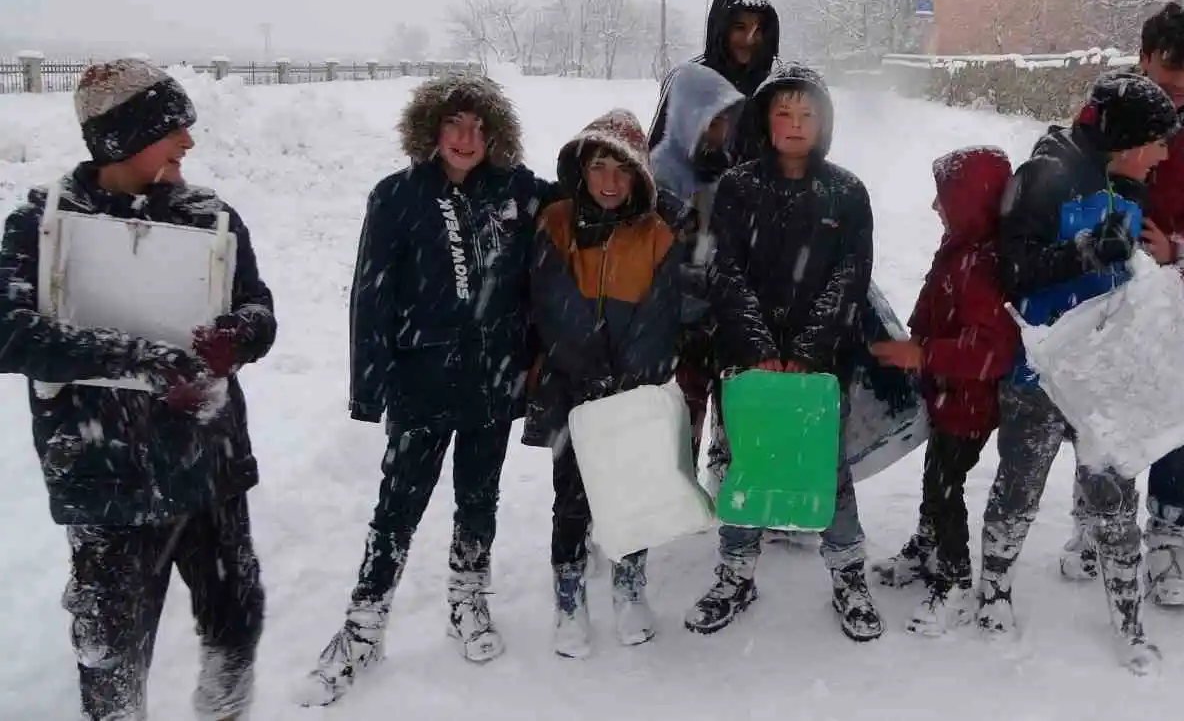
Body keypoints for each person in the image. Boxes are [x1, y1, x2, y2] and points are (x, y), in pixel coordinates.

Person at [0, 59, 275, 720]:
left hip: (210, 466)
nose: (188, 143)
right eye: (174, 129)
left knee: (236, 622)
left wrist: (240, 335)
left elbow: (260, 307)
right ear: (122, 139)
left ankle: (226, 712)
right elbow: (10, 332)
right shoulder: (43, 223)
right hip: (106, 480)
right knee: (112, 651)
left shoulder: (211, 215)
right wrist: (141, 360)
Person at [302, 74, 552, 705]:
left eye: (478, 126)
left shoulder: (518, 192)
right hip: (421, 380)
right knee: (398, 505)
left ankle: (468, 599)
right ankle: (364, 623)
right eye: (454, 124)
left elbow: (592, 202)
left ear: (495, 135)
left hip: (493, 380)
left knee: (479, 497)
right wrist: (369, 387)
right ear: (431, 130)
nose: (466, 138)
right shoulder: (397, 196)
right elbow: (371, 293)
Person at [982, 71, 1181, 674]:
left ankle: (1128, 614)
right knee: (1020, 486)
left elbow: (1127, 275)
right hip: (1039, 372)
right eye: (1157, 141)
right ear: (1124, 140)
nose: (1165, 154)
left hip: (1102, 371)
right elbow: (1012, 271)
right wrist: (1087, 251)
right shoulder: (1043, 178)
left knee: (1116, 496)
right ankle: (993, 590)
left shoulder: (1128, 189)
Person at [683, 63, 883, 642]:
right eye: (783, 112)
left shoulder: (846, 193)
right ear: (766, 121)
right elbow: (724, 270)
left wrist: (809, 347)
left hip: (822, 365)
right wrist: (758, 345)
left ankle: (848, 574)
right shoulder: (738, 189)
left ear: (824, 122)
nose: (796, 124)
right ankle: (735, 572)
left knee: (830, 466)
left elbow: (851, 274)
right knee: (742, 462)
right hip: (746, 364)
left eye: (807, 113)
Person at [1059, 3, 1184, 609]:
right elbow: (1075, 172)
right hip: (1106, 289)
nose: (1181, 84)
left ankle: (1165, 536)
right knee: (1101, 404)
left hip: (1176, 297)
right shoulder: (1106, 107)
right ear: (1143, 57)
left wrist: (1179, 247)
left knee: (1173, 411)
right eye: (1169, 70)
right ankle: (1092, 518)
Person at [524, 110, 683, 659]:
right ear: (581, 169)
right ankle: (568, 594)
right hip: (572, 388)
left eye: (622, 168)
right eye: (598, 166)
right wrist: (590, 375)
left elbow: (661, 318)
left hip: (633, 396)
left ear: (639, 175)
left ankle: (628, 581)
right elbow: (552, 305)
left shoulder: (658, 234)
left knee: (631, 491)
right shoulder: (558, 223)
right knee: (571, 494)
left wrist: (631, 380)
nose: (609, 181)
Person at [868, 146, 1020, 637]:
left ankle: (954, 581)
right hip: (949, 394)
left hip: (971, 402)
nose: (936, 207)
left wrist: (924, 353)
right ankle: (926, 544)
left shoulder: (984, 265)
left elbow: (991, 352)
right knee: (937, 476)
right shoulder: (963, 246)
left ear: (973, 202)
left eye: (945, 198)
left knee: (945, 486)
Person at [647, 63, 746, 455]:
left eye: (724, 120)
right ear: (687, 116)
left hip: (714, 328)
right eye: (710, 119)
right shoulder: (657, 177)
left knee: (719, 431)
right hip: (669, 335)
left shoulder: (722, 174)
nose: (719, 130)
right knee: (671, 440)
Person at [646, 0, 780, 161]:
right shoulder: (689, 79)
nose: (750, 39)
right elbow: (656, 155)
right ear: (721, 28)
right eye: (740, 27)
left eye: (759, 30)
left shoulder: (774, 84)